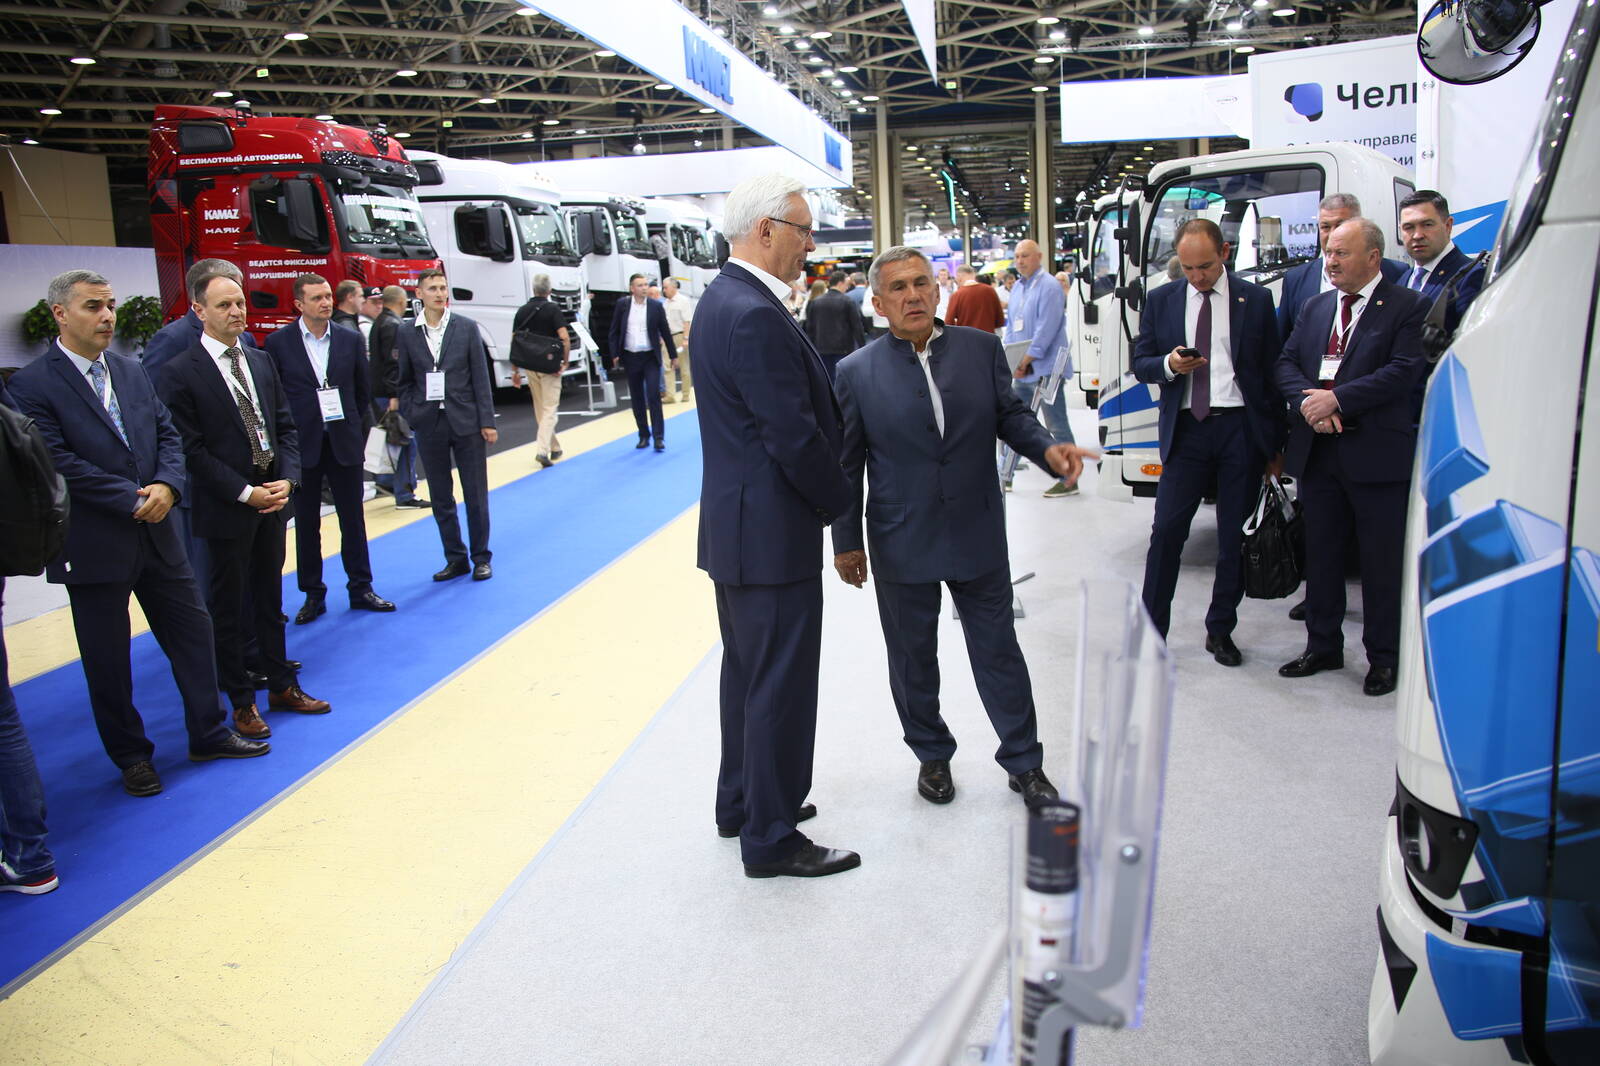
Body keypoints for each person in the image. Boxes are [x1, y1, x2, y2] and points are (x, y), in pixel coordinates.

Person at [831, 247, 1095, 808]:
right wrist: (846, 542)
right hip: (901, 537)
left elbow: (1011, 417)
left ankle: (1025, 763)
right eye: (898, 288)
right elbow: (847, 466)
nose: (913, 295)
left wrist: (1048, 450)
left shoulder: (980, 350)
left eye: (921, 283)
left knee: (999, 649)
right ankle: (932, 754)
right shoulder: (855, 373)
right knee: (912, 657)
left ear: (937, 289)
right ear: (877, 303)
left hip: (977, 529)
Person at [8, 270, 271, 795]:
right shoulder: (30, 385)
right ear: (60, 314)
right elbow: (55, 461)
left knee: (193, 634)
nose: (107, 315)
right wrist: (133, 498)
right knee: (107, 658)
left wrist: (168, 486)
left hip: (160, 533)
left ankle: (208, 732)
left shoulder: (131, 371)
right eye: (93, 306)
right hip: (94, 541)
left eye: (110, 304)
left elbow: (168, 434)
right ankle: (131, 756)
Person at [693, 172, 858, 880]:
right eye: (803, 230)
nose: (810, 244)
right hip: (772, 535)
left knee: (748, 678)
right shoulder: (755, 313)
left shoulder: (722, 300)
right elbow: (791, 436)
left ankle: (744, 803)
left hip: (739, 533)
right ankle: (772, 836)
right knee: (779, 687)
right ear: (766, 230)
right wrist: (840, 505)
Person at [158, 271, 331, 733]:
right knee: (228, 608)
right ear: (199, 311)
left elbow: (285, 427)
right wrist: (244, 492)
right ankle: (240, 701)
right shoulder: (180, 372)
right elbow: (190, 450)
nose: (236, 312)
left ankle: (281, 684)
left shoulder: (260, 360)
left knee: (270, 600)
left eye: (239, 303)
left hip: (271, 499)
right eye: (224, 305)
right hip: (226, 505)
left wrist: (288, 480)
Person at [1274, 218, 1430, 698]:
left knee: (1381, 564)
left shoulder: (1408, 306)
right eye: (1329, 251)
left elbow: (1404, 371)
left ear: (1373, 257)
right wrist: (1310, 404)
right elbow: (1286, 363)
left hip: (1377, 456)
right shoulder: (1316, 306)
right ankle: (1322, 646)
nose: (1331, 261)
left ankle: (1384, 658)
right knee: (1321, 556)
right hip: (1320, 452)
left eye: (1342, 252)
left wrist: (1337, 400)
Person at [1131, 219, 1285, 664]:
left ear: (1225, 253)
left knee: (1233, 537)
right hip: (1187, 431)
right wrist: (1169, 365)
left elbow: (1270, 374)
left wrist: (1275, 447)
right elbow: (1141, 363)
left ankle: (1220, 629)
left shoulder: (1256, 300)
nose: (1197, 276)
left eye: (1205, 266)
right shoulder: (1162, 300)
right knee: (1166, 532)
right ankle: (1152, 632)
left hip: (1240, 429)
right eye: (1188, 268)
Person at [265, 273, 394, 624]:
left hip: (343, 441)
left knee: (353, 519)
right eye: (317, 298)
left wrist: (351, 426)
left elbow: (361, 390)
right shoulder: (278, 343)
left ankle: (361, 587)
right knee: (307, 523)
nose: (325, 303)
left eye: (327, 296)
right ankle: (313, 594)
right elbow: (275, 397)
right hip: (302, 444)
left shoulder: (350, 339)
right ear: (299, 304)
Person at [396, 268, 497, 582]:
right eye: (433, 288)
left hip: (467, 422)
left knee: (475, 494)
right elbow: (404, 379)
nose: (440, 293)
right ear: (419, 293)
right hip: (430, 423)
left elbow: (480, 377)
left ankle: (481, 558)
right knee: (441, 497)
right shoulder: (406, 332)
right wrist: (414, 414)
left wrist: (487, 421)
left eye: (443, 287)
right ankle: (455, 559)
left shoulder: (466, 327)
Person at [1278, 194, 1406, 345]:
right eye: (1325, 227)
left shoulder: (1395, 272)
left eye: (1340, 225)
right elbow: (1283, 341)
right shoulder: (1295, 279)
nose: (1333, 233)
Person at [1004, 239, 1078, 498]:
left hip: (1046, 369)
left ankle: (1069, 478)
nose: (1020, 261)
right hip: (1023, 371)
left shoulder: (1049, 286)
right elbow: (1012, 327)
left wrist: (1026, 360)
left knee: (1056, 424)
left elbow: (1046, 329)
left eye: (1025, 255)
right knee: (1013, 423)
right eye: (1017, 256)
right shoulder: (1017, 288)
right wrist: (1013, 360)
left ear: (1039, 256)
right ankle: (1005, 475)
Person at [367, 285, 427, 508]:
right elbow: (394, 363)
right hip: (393, 394)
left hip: (381, 392)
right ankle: (405, 493)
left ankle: (387, 482)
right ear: (402, 302)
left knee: (390, 439)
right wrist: (395, 394)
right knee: (405, 441)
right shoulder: (393, 325)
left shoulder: (379, 322)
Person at [606, 273, 677, 452]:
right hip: (631, 357)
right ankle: (643, 435)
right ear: (632, 288)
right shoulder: (623, 305)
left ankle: (659, 437)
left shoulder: (655, 306)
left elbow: (665, 330)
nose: (644, 288)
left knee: (654, 395)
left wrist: (673, 354)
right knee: (637, 398)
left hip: (650, 357)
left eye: (646, 284)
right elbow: (614, 331)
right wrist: (614, 354)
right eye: (640, 285)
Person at [511, 273, 570, 467]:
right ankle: (542, 450)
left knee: (540, 408)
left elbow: (515, 341)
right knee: (550, 409)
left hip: (530, 364)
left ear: (534, 289)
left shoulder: (522, 311)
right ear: (549, 290)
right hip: (550, 366)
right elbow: (564, 337)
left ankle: (555, 447)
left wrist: (515, 370)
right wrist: (565, 361)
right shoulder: (553, 309)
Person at [802, 269, 866, 380]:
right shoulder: (847, 301)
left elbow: (810, 327)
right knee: (841, 379)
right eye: (846, 284)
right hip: (843, 348)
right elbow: (856, 326)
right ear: (840, 283)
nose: (847, 287)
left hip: (820, 347)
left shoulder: (816, 302)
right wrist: (862, 346)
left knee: (825, 378)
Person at [659, 277, 694, 404]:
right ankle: (670, 395)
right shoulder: (665, 303)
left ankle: (685, 394)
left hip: (680, 335)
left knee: (684, 366)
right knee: (667, 366)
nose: (664, 290)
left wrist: (686, 338)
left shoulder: (683, 301)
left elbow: (687, 321)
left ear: (674, 287)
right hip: (667, 337)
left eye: (666, 287)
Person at [944, 264, 1005, 333]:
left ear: (959, 277)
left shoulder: (957, 295)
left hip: (966, 337)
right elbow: (1000, 320)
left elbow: (948, 323)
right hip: (988, 336)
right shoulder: (990, 290)